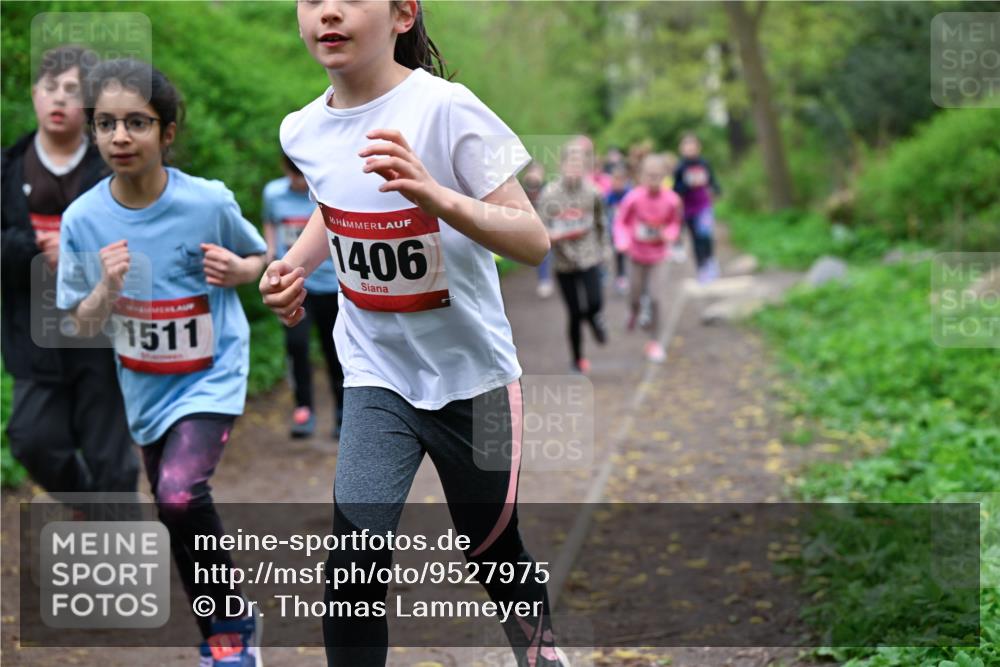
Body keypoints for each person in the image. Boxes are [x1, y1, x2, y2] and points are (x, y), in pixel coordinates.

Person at [259, 2, 566, 665]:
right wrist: (294, 266)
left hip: (472, 378)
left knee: (492, 549)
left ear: (402, 14)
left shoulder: (445, 109)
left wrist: (437, 196)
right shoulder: (302, 129)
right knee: (353, 565)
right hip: (377, 375)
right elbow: (332, 201)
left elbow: (533, 239)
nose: (328, 11)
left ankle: (541, 653)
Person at [56, 58, 267, 667]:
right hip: (145, 388)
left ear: (166, 132)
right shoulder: (84, 220)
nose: (120, 137)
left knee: (178, 495)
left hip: (212, 374)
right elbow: (78, 323)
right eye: (106, 124)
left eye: (137, 123)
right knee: (172, 506)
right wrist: (104, 287)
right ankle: (226, 622)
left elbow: (262, 257)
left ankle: (229, 636)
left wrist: (242, 270)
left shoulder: (208, 202)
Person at [1, 45, 138, 498]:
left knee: (112, 459)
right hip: (33, 334)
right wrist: (34, 250)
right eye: (50, 88)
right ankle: (86, 503)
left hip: (103, 334)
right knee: (31, 439)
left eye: (72, 90)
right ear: (35, 94)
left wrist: (79, 255)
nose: (59, 99)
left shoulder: (116, 167)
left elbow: (143, 237)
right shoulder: (7, 168)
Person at [263, 152, 345, 438]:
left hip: (331, 286)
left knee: (334, 350)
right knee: (296, 347)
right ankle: (303, 410)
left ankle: (342, 412)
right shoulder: (273, 193)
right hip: (296, 287)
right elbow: (270, 223)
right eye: (292, 175)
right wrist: (270, 252)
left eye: (301, 175)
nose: (297, 181)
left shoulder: (327, 194)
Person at [537, 139, 609, 374]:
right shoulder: (549, 194)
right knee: (575, 312)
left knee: (595, 302)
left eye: (579, 165)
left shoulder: (593, 192)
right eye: (570, 164)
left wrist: (604, 248)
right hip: (564, 261)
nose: (574, 170)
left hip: (589, 256)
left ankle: (595, 319)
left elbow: (600, 222)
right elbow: (539, 227)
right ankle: (577, 360)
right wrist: (552, 236)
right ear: (561, 165)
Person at [614, 154, 683, 363]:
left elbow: (675, 223)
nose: (653, 179)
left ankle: (655, 342)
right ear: (641, 176)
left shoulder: (672, 200)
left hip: (659, 256)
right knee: (634, 295)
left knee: (656, 298)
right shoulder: (633, 198)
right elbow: (621, 222)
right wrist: (622, 240)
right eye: (649, 175)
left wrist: (670, 233)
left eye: (657, 176)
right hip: (636, 254)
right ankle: (633, 311)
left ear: (664, 176)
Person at [673, 133, 721, 282]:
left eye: (692, 146)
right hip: (688, 209)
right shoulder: (680, 167)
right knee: (695, 239)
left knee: (705, 235)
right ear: (682, 149)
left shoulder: (704, 163)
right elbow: (676, 189)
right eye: (686, 146)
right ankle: (701, 268)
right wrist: (687, 184)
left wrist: (717, 189)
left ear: (698, 147)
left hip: (704, 206)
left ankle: (710, 262)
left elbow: (712, 180)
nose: (690, 149)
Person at [521, 160, 555, 299]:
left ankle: (547, 278)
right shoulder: (522, 189)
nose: (535, 175)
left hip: (547, 223)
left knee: (549, 252)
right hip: (533, 225)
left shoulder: (547, 187)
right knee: (543, 253)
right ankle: (544, 279)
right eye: (533, 172)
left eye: (538, 172)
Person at [604, 163, 631, 295]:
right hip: (614, 231)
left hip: (629, 231)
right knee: (618, 254)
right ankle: (620, 276)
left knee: (630, 255)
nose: (618, 183)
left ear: (626, 180)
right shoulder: (609, 196)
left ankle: (630, 275)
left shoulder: (630, 195)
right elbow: (604, 212)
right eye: (615, 179)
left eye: (621, 180)